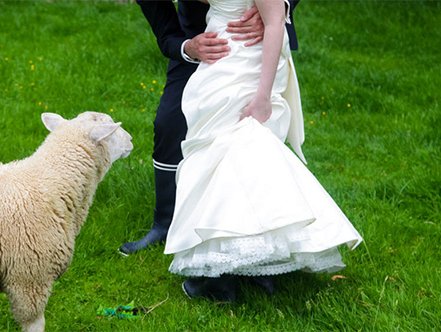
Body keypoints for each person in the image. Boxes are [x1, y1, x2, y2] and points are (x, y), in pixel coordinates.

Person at [163, 0, 363, 302]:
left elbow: (274, 22)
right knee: (230, 161)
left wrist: (263, 96)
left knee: (240, 155)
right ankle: (253, 268)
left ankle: (227, 277)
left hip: (248, 64)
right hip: (220, 59)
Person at [120, 0, 299, 255]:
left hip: (254, 43)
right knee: (169, 123)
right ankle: (166, 224)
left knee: (248, 130)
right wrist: (188, 47)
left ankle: (262, 234)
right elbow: (167, 35)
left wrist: (280, 7)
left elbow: (275, 16)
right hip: (199, 38)